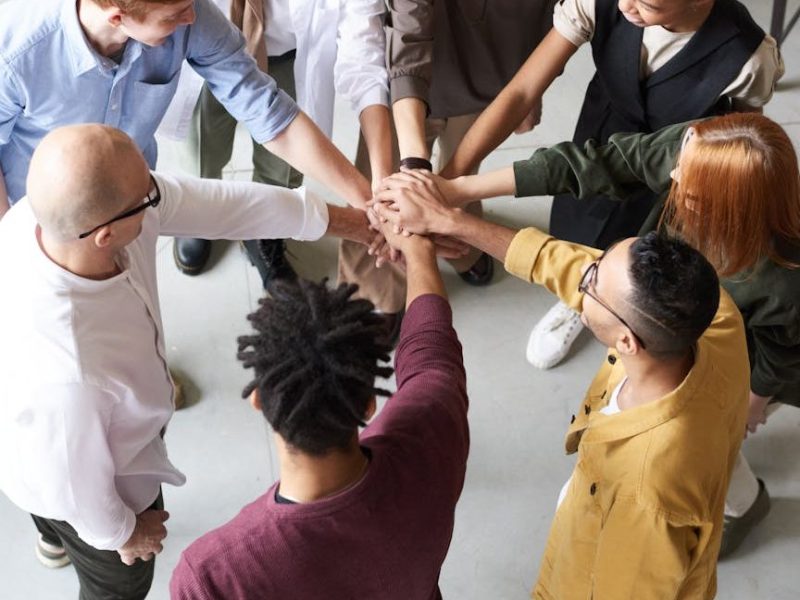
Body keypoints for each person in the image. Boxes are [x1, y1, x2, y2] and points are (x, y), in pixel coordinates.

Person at [0, 123, 374, 599]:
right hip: (75, 481)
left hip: (48, 433)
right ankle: (66, 538)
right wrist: (123, 534)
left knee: (59, 510)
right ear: (105, 235)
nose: (158, 194)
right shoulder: (71, 372)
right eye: (147, 195)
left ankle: (53, 538)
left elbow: (222, 205)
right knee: (118, 584)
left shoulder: (48, 217)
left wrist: (357, 224)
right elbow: (69, 485)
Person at [409, 111, 800, 557]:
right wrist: (457, 194)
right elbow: (600, 165)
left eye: (688, 190)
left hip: (740, 369)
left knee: (712, 446)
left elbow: (781, 355)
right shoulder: (698, 150)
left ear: (729, 209)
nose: (672, 175)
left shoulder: (782, 282)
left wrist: (750, 403)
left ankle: (745, 505)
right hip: (672, 337)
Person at [372, 173, 749, 598]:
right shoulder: (712, 316)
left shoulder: (645, 497)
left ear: (627, 341)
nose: (581, 280)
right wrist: (449, 221)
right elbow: (564, 263)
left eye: (591, 284)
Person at [439, 0, 783, 370]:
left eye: (648, 4)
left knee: (642, 257)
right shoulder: (600, 4)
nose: (625, 6)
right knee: (576, 222)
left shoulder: (748, 56)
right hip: (600, 138)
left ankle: (611, 307)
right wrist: (449, 181)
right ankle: (579, 298)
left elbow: (739, 141)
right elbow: (521, 92)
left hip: (674, 171)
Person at [169, 211, 468, 598]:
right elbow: (432, 353)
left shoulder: (213, 577)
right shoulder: (433, 425)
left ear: (259, 400)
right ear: (368, 405)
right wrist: (419, 251)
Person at [0, 0, 374, 232]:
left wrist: (367, 200)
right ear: (117, 17)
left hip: (134, 201)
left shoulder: (190, 12)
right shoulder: (15, 51)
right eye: (176, 15)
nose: (192, 16)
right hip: (34, 216)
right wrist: (10, 242)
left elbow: (267, 109)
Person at [336, 0, 556, 325]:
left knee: (463, 177)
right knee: (384, 184)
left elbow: (556, 19)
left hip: (495, 77)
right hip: (405, 81)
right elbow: (409, 35)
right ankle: (374, 289)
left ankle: (460, 243)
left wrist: (534, 86)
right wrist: (415, 171)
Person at [162, 0, 392, 282]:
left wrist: (377, 192)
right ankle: (198, 215)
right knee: (201, 151)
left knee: (281, 170)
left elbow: (364, 58)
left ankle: (264, 232)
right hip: (201, 44)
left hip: (286, 54)